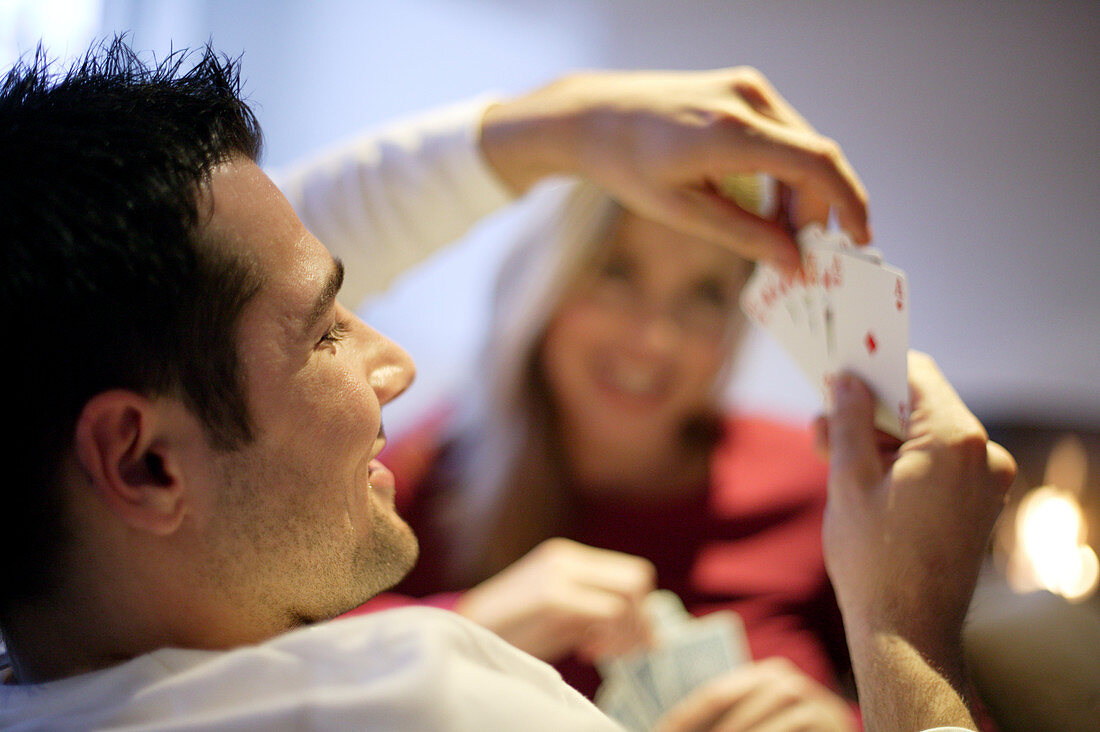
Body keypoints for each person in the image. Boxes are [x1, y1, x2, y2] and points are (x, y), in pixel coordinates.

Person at [0, 36, 1014, 732]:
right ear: (138, 462)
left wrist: (554, 128)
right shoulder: (433, 686)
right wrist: (905, 633)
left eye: (701, 298)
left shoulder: (46, 670)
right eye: (323, 333)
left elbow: (172, 307)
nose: (391, 360)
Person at [355, 180, 858, 730]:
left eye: (705, 295)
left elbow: (948, 710)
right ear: (543, 284)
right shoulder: (417, 472)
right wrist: (462, 630)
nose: (653, 340)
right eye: (617, 274)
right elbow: (265, 668)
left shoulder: (819, 481)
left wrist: (847, 726)